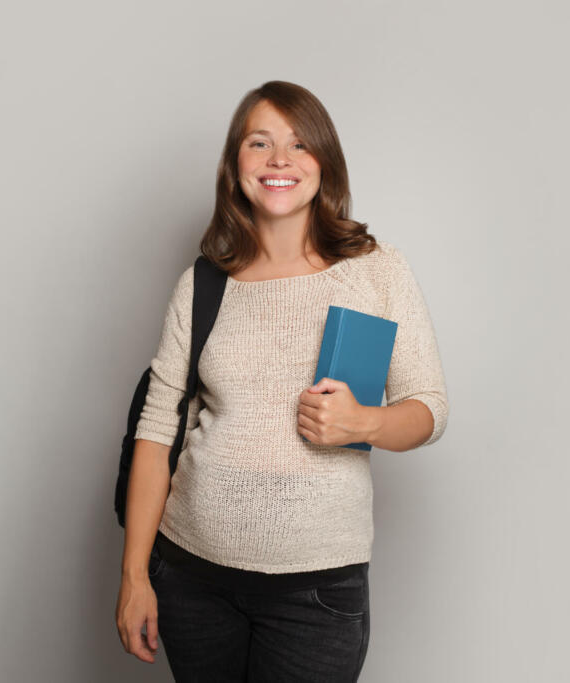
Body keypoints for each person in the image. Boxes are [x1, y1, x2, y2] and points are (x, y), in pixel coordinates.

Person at [115, 80, 449, 682]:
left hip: (315, 595)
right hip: (192, 579)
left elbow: (430, 407)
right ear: (235, 165)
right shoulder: (204, 285)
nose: (278, 160)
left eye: (299, 145)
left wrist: (364, 422)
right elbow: (157, 425)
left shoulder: (375, 271)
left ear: (325, 162)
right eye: (259, 143)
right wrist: (135, 575)